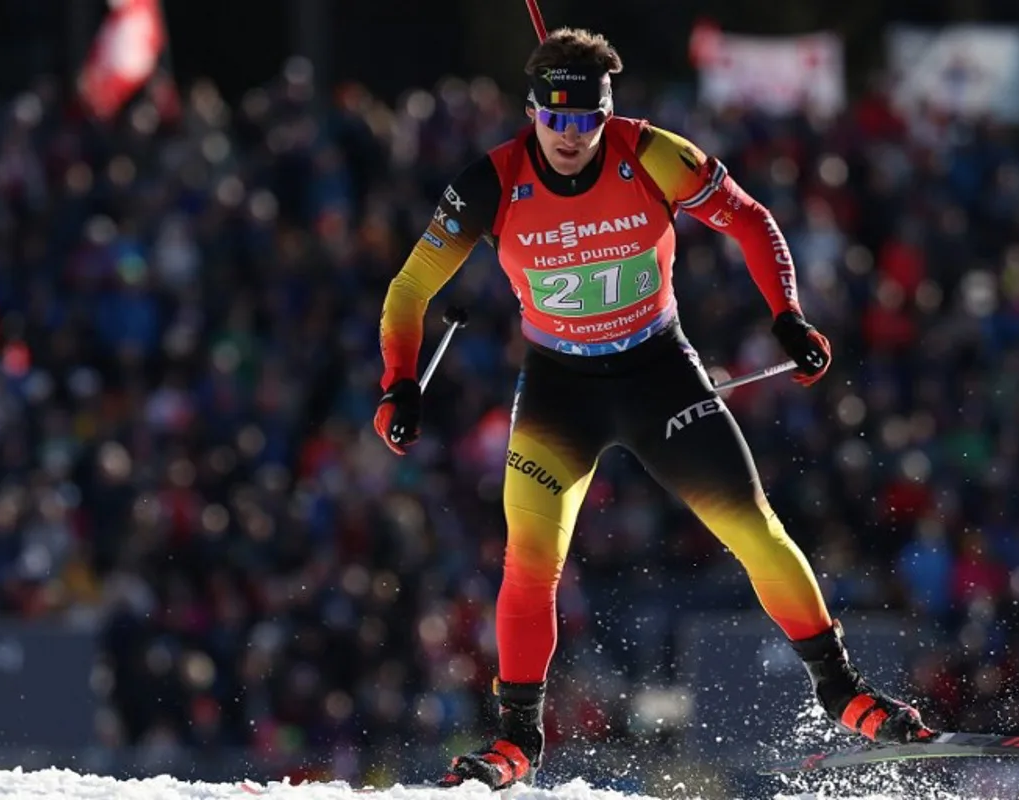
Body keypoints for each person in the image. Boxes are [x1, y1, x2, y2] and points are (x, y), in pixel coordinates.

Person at [374, 27, 934, 790]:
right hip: (559, 390)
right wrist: (399, 383)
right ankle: (515, 741)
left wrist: (789, 316)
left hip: (658, 373)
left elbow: (750, 219)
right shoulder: (491, 182)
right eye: (555, 119)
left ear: (607, 114)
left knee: (753, 528)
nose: (570, 137)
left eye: (587, 120)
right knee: (530, 564)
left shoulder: (653, 154)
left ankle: (843, 692)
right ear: (531, 110)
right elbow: (410, 288)